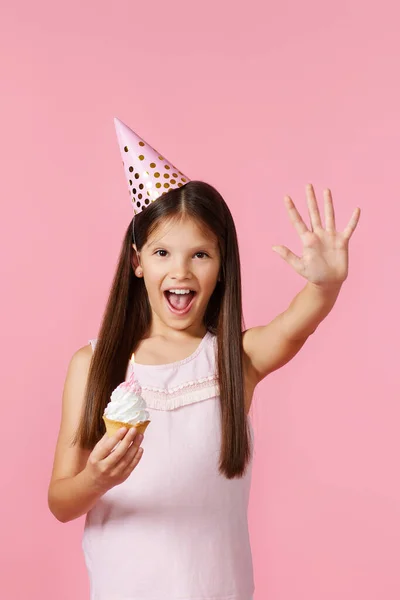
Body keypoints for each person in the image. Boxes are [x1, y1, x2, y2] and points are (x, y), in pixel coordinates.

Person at [48, 118, 361, 600]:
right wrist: (96, 478)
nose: (180, 270)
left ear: (221, 265)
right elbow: (61, 502)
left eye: (200, 255)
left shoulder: (235, 359)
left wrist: (325, 283)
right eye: (162, 252)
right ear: (137, 263)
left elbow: (296, 325)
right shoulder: (92, 366)